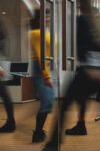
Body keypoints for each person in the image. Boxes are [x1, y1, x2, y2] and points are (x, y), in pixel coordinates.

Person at [42, 0, 100, 151]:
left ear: (82, 5)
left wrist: (90, 67)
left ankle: (53, 143)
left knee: (65, 106)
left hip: (87, 71)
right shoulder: (99, 25)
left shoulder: (82, 20)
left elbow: (81, 47)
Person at [29, 9, 55, 143]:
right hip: (41, 67)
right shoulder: (37, 33)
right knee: (47, 102)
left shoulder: (44, 31)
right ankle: (37, 133)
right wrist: (46, 75)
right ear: (39, 18)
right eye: (45, 16)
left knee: (48, 102)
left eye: (49, 16)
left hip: (47, 66)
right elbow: (41, 55)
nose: (48, 19)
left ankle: (38, 132)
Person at [0, 17, 16, 133]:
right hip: (3, 65)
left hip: (0, 66)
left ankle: (11, 123)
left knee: (5, 95)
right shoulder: (4, 37)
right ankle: (11, 122)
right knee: (5, 95)